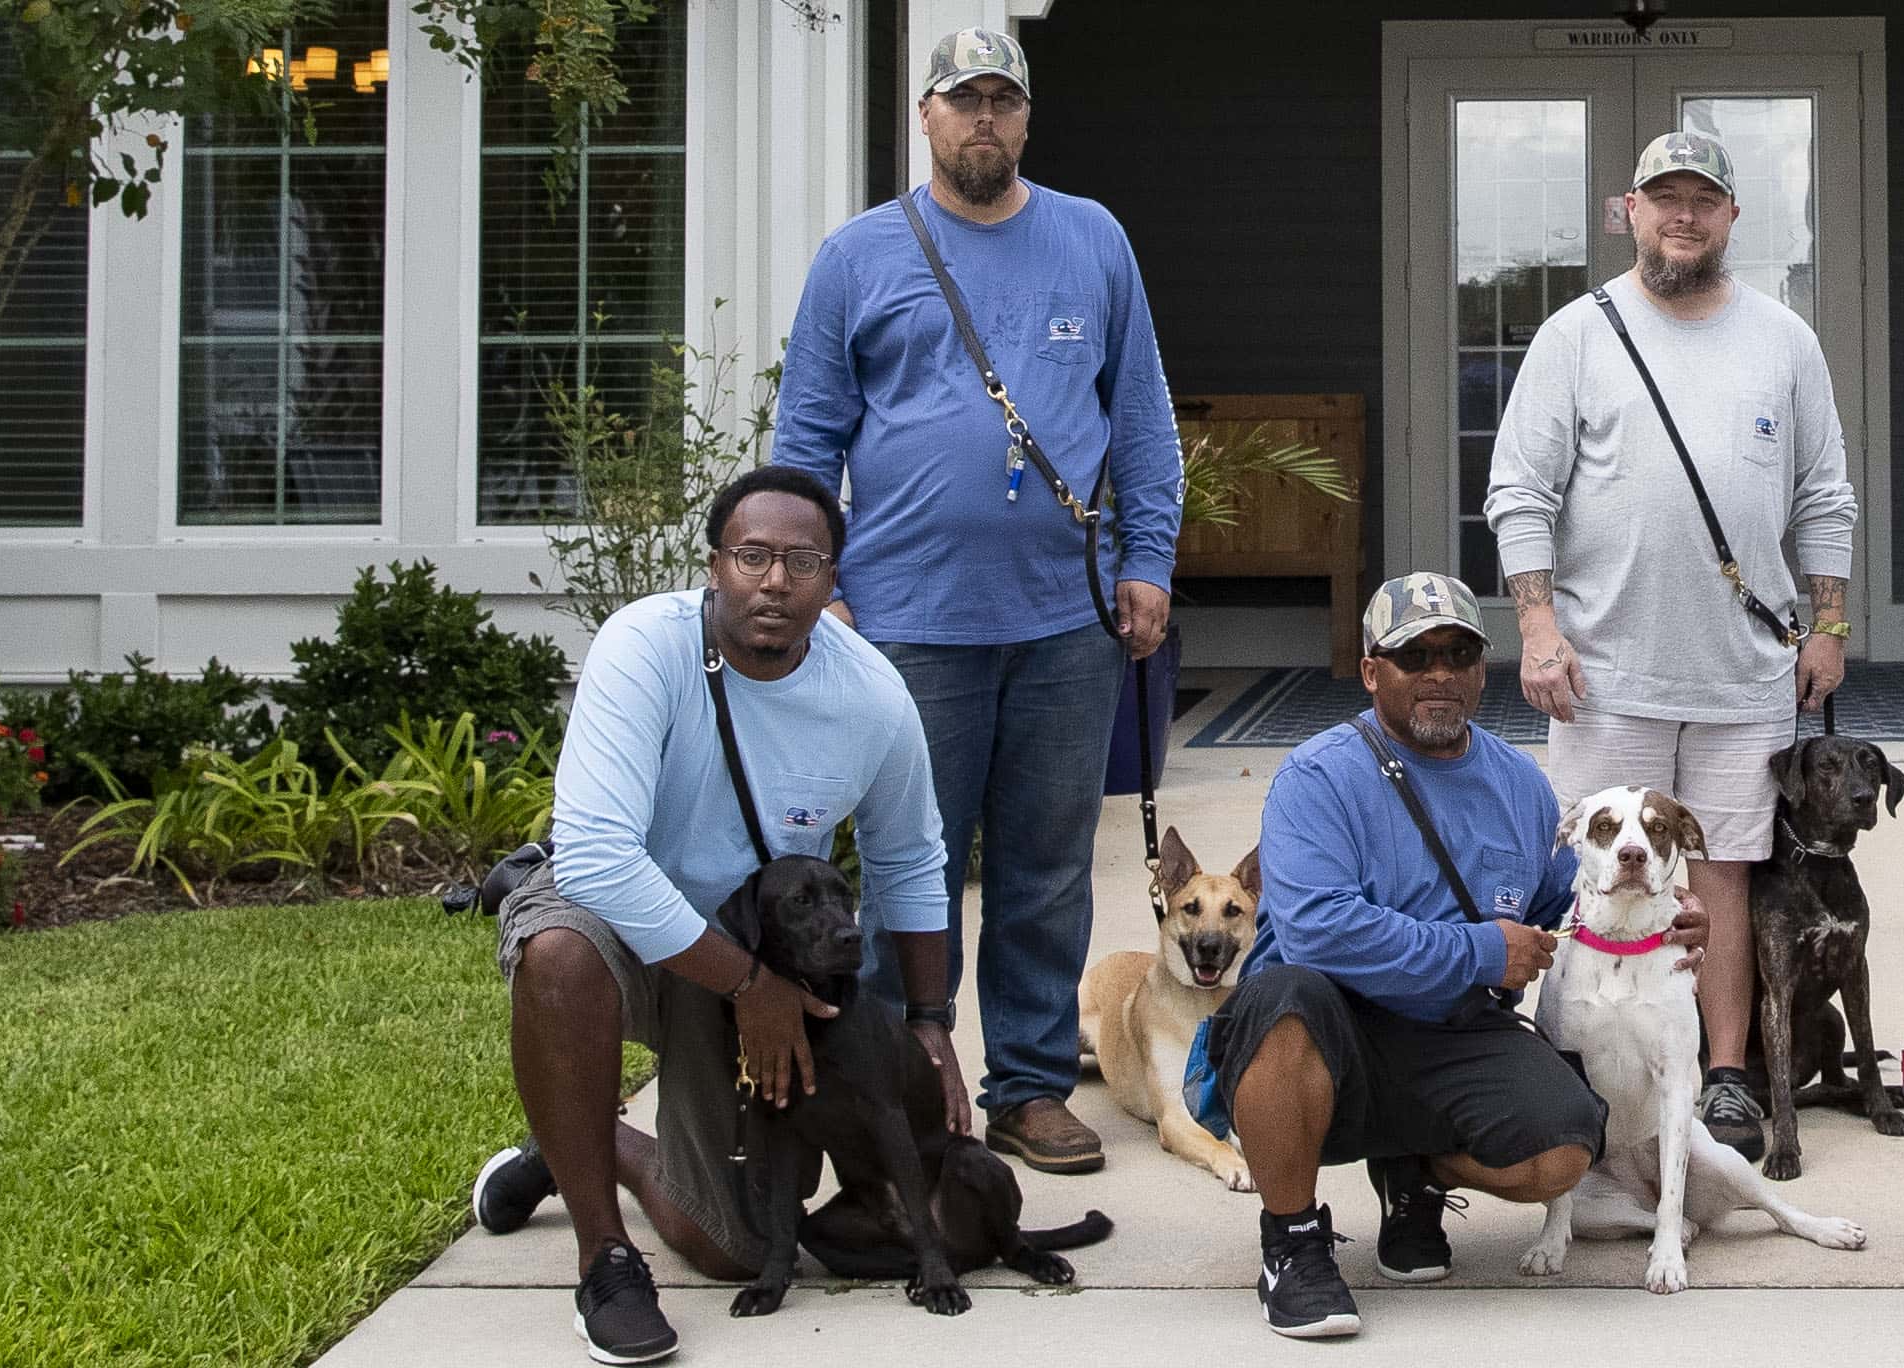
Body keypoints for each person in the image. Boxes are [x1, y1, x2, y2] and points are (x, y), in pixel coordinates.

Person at [770, 26, 1184, 1176]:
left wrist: (1149, 563)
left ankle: (1030, 1088)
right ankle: (897, 1081)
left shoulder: (1093, 240)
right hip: (904, 625)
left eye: (1003, 98)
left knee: (1047, 871)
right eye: (964, 100)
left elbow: (1142, 420)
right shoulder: (856, 257)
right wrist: (817, 589)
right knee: (912, 868)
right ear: (928, 116)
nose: (984, 118)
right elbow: (804, 446)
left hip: (1068, 620)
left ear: (1027, 117)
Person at [457, 467, 955, 1365]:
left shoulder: (871, 697)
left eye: (803, 561)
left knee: (736, 1246)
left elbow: (911, 859)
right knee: (559, 954)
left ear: (833, 578)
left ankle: (583, 1144)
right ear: (715, 565)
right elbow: (600, 858)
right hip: (616, 913)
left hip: (743, 945)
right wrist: (752, 987)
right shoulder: (643, 647)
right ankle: (605, 1262)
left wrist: (929, 1023)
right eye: (752, 556)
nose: (775, 581)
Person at [1486, 128, 1863, 1152]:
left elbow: (1825, 496)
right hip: (1604, 674)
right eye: (1665, 199)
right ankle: (1580, 1074)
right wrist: (1537, 626)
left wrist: (1828, 625)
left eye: (1703, 199)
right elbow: (1519, 492)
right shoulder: (1575, 335)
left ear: (1732, 215)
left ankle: (1727, 1076)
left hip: (1747, 675)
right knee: (1595, 876)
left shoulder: (1785, 341)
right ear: (1631, 212)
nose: (1683, 217)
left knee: (1729, 874)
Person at [1207, 571, 1614, 1338]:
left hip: (1449, 1030)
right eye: (1414, 656)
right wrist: (1480, 950)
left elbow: (1568, 902)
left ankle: (1415, 1167)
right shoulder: (1318, 776)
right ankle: (1292, 1242)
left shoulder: (1519, 783)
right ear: (1371, 672)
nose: (1440, 674)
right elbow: (1319, 929)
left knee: (1563, 1149)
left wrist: (1660, 915)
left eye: (1459, 655)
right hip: (1326, 1030)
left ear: (1481, 669)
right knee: (1285, 995)